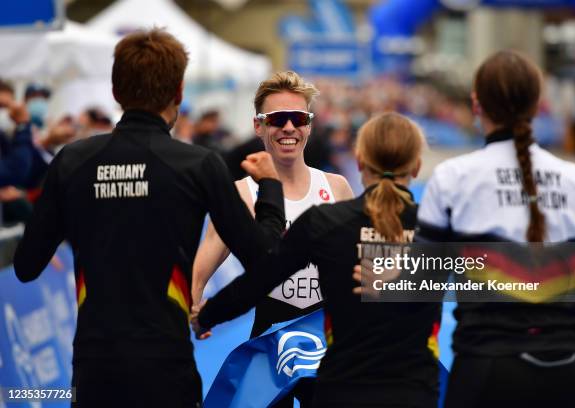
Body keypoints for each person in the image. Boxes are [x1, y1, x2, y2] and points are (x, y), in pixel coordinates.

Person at [13, 29, 286, 408]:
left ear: (115, 91)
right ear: (178, 93)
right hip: (165, 367)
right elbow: (266, 259)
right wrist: (271, 188)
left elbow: (26, 266)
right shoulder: (197, 165)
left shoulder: (72, 162)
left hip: (95, 370)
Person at [194, 112, 441, 408]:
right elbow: (499, 280)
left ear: (359, 161)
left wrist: (206, 316)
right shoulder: (437, 228)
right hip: (415, 391)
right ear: (416, 166)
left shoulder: (326, 223)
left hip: (342, 389)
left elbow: (259, 281)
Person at [416, 50, 575, 408]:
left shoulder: (453, 177)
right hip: (564, 370)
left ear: (477, 104)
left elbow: (418, 286)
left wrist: (377, 277)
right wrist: (557, 297)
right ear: (538, 105)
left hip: (484, 368)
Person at [191, 70, 353, 408]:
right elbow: (202, 266)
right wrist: (193, 312)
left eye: (298, 118)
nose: (289, 128)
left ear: (309, 125)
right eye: (278, 119)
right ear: (258, 126)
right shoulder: (241, 193)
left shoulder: (336, 187)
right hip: (268, 341)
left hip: (327, 339)